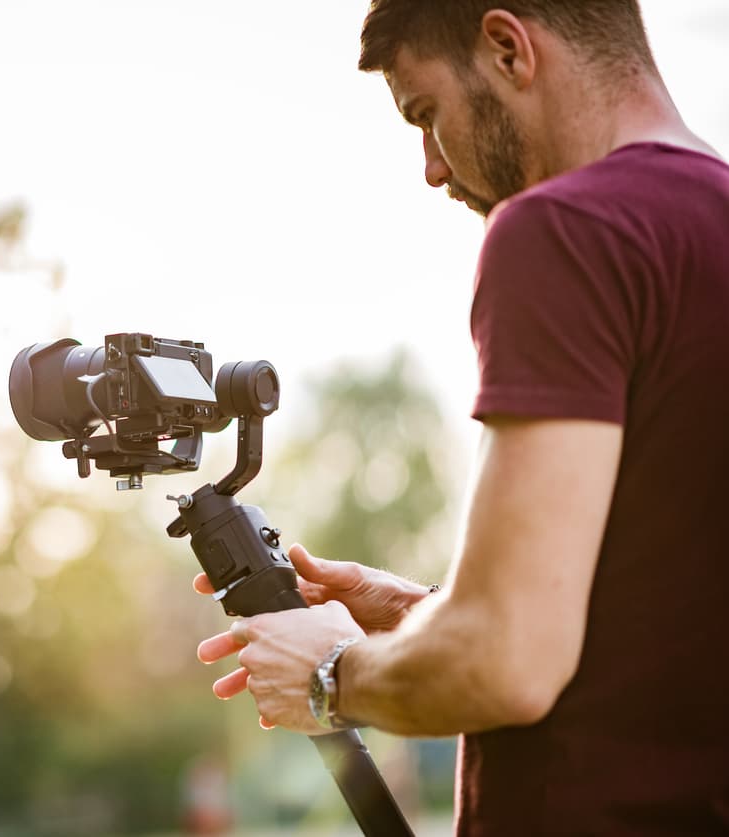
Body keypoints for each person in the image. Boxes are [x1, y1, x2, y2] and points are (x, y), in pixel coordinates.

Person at [195, 2, 729, 833]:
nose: (432, 169)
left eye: (426, 115)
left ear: (508, 48)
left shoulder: (564, 232)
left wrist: (331, 671)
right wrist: (423, 614)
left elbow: (508, 662)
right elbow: (661, 616)